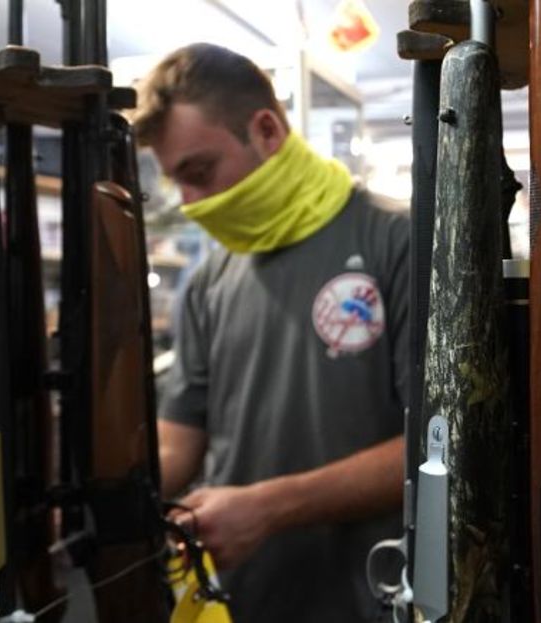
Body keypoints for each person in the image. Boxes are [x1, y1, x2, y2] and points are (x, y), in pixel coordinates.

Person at [132, 43, 409, 622]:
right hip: (245, 599)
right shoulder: (210, 280)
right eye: (176, 183)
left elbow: (441, 447)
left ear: (266, 130)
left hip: (374, 596)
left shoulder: (398, 241)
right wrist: (98, 492)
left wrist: (270, 507)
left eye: (199, 173)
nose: (190, 204)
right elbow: (179, 441)